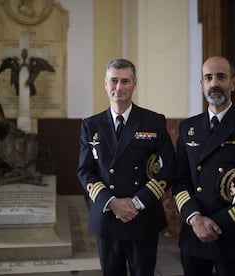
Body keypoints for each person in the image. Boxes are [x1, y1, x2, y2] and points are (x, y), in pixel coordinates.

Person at [172, 56, 235, 276]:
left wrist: (219, 225)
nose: (214, 83)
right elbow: (180, 180)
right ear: (202, 84)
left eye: (221, 77)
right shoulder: (187, 128)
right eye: (208, 77)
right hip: (194, 234)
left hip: (233, 235)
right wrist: (195, 218)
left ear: (233, 83)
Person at [77, 58, 177, 276]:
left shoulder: (153, 121)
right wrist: (112, 203)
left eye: (125, 81)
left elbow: (170, 166)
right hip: (107, 217)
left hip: (142, 216)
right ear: (105, 84)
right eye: (114, 81)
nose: (119, 87)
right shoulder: (90, 125)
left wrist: (138, 202)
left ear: (134, 84)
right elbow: (85, 170)